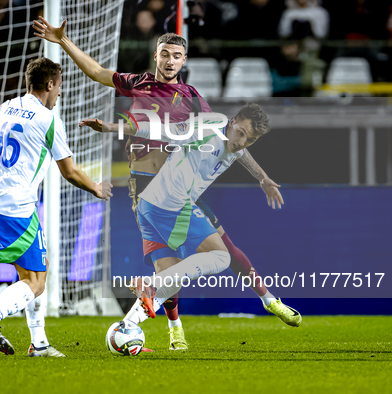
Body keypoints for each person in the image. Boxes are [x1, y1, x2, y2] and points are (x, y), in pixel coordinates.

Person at [34, 18, 299, 351]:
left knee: (222, 252)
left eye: (176, 55)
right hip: (145, 185)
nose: (170, 60)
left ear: (184, 61)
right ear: (155, 56)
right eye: (164, 54)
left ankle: (268, 300)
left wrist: (262, 177)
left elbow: (228, 141)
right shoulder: (138, 83)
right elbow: (99, 73)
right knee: (168, 267)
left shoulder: (191, 98)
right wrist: (64, 42)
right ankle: (173, 327)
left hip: (180, 187)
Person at [0, 57, 112, 357]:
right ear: (50, 84)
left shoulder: (4, 108)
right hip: (16, 208)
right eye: (60, 87)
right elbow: (69, 171)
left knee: (29, 276)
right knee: (37, 282)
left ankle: (39, 344)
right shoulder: (48, 119)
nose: (60, 94)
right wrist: (94, 186)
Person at [81, 103, 302, 328]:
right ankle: (151, 284)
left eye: (251, 140)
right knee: (221, 257)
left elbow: (242, 153)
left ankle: (127, 327)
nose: (242, 143)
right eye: (242, 134)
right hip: (171, 202)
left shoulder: (235, 142)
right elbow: (161, 130)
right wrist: (112, 127)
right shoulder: (208, 127)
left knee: (172, 275)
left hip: (151, 204)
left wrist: (262, 177)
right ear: (232, 120)